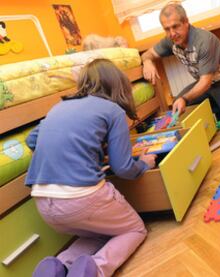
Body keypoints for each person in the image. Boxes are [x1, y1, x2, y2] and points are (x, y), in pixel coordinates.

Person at [26, 59, 156, 277]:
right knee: (134, 229)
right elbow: (123, 168)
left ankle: (58, 265)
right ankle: (94, 270)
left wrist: (84, 151)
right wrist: (143, 164)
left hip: (43, 202)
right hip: (81, 199)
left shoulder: (59, 106)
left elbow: (32, 140)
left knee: (99, 232)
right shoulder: (112, 109)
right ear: (118, 84)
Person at [141, 3, 220, 130]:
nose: (172, 33)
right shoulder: (170, 41)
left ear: (186, 22)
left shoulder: (204, 41)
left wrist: (184, 99)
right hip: (207, 82)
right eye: (167, 29)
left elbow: (205, 82)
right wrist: (147, 62)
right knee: (176, 105)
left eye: (175, 26)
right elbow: (148, 54)